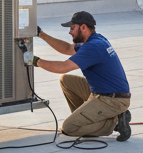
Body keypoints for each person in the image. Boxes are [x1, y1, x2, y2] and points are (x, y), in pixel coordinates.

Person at [28, 10, 132, 140]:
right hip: (104, 91)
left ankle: (116, 121)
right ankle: (84, 118)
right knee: (66, 81)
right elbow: (67, 48)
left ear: (83, 27)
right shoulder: (95, 39)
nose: (70, 32)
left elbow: (64, 66)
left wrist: (35, 61)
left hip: (112, 99)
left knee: (69, 128)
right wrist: (41, 34)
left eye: (73, 28)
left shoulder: (93, 47)